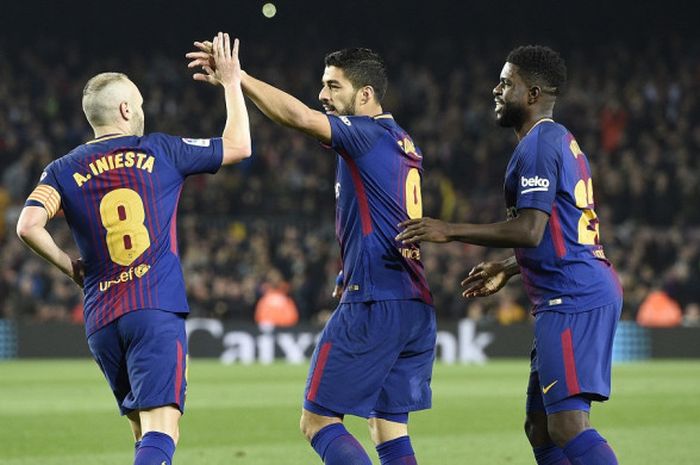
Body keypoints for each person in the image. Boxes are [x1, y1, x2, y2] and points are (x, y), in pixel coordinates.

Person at [188, 42, 435, 465]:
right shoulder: (401, 141)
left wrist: (237, 78)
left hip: (375, 300)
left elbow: (298, 118)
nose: (322, 95)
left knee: (318, 421)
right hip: (414, 302)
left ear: (366, 95)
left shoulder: (366, 134)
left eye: (333, 86)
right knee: (387, 427)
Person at [16, 32, 250, 465]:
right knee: (163, 429)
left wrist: (70, 266)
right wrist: (232, 83)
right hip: (152, 308)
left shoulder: (62, 169)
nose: (142, 111)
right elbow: (239, 146)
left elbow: (28, 226)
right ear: (126, 110)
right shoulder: (161, 150)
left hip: (101, 318)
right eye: (139, 104)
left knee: (142, 431)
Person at [397, 45, 623, 465]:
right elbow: (557, 233)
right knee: (540, 426)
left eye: (506, 83)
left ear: (533, 94)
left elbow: (530, 230)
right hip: (568, 290)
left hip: (573, 297)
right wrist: (507, 266)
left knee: (567, 426)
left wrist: (449, 229)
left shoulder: (539, 144)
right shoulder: (556, 139)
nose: (496, 89)